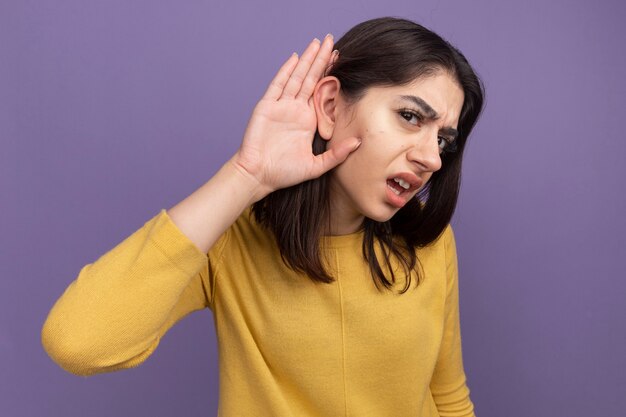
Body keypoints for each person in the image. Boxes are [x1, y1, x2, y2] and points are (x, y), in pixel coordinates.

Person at [41, 17, 484, 417]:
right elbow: (77, 342)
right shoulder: (231, 238)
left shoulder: (428, 239)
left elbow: (448, 397)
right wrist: (244, 176)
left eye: (443, 140)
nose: (431, 158)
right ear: (330, 107)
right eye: (409, 116)